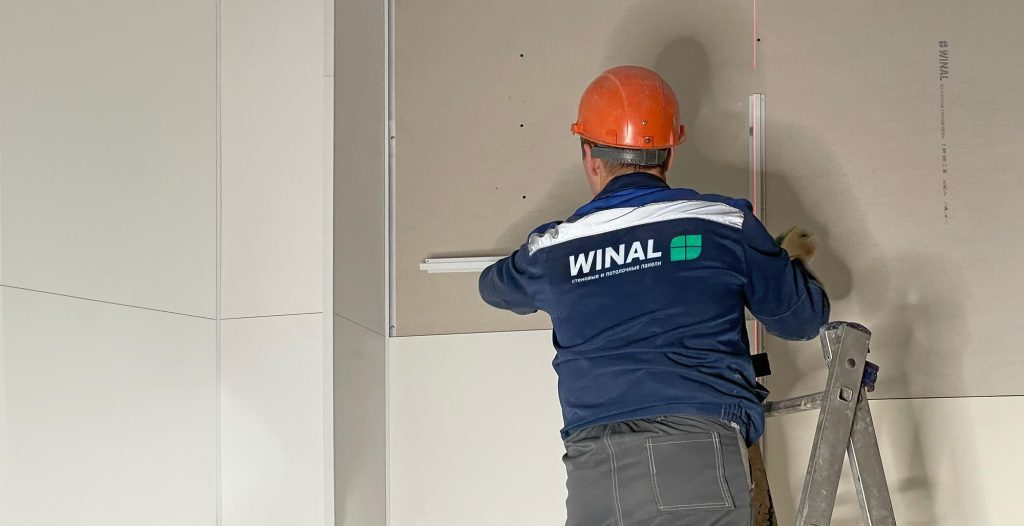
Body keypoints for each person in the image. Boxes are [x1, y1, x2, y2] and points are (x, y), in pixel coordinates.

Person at [478, 65, 828, 526]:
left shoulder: (553, 249)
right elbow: (802, 319)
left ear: (589, 156)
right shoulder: (723, 224)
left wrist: (571, 260)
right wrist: (789, 261)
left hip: (593, 469)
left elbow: (493, 287)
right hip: (695, 453)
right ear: (669, 153)